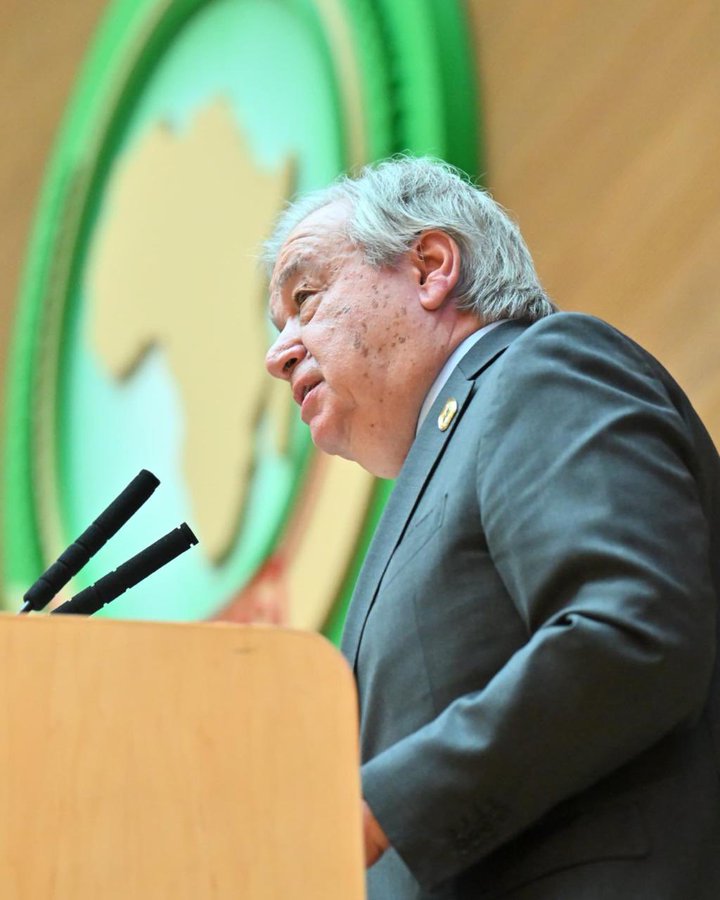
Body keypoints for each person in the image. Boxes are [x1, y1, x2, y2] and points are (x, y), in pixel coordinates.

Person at [263, 156, 720, 899]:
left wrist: (384, 806)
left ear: (431, 268)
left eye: (306, 298)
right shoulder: (444, 457)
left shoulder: (539, 370)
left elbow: (632, 627)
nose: (277, 356)